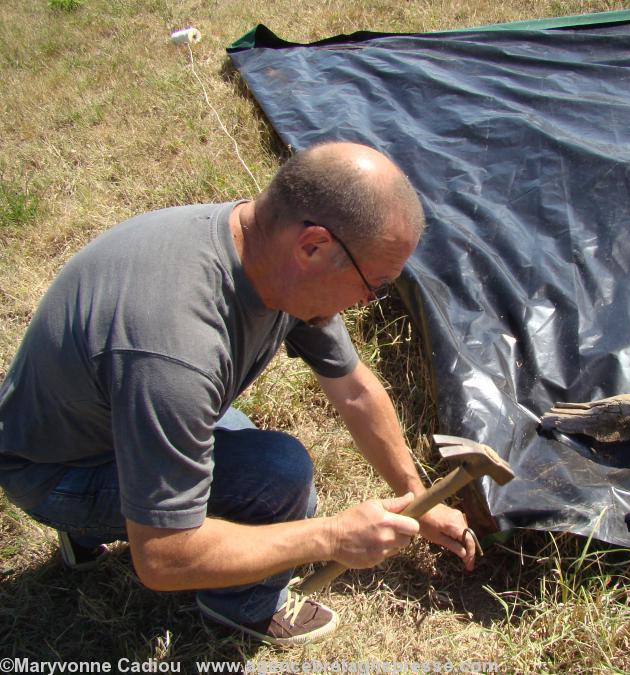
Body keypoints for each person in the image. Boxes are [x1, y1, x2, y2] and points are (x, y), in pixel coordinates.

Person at [0, 141, 475, 646]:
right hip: (50, 472)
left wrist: (417, 499)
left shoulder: (265, 255)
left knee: (240, 445)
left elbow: (355, 390)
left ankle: (92, 526)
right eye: (373, 284)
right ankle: (243, 606)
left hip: (82, 423)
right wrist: (332, 536)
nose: (366, 302)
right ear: (313, 245)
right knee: (277, 477)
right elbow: (163, 558)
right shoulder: (176, 347)